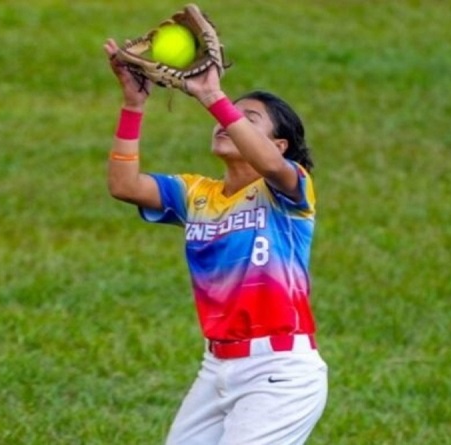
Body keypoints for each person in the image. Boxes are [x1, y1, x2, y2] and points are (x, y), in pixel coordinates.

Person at [102, 38, 328, 445]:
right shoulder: (196, 194)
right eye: (228, 114)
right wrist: (133, 106)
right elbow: (124, 185)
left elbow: (270, 165)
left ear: (277, 144)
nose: (226, 120)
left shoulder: (289, 189)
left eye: (248, 118)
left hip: (279, 374)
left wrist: (213, 95)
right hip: (217, 368)